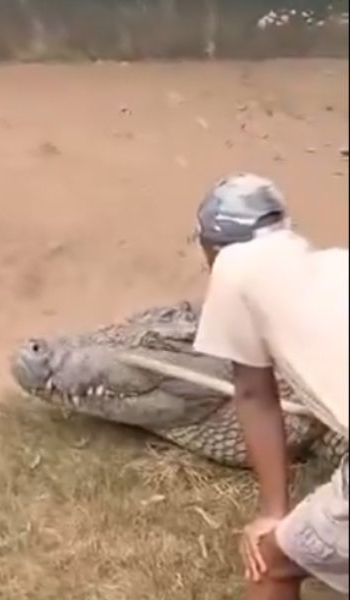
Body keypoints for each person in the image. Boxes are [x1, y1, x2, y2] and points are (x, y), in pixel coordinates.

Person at [192, 172, 349, 599]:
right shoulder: (337, 263)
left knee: (270, 563)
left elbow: (253, 393)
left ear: (213, 245)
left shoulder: (232, 266)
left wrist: (272, 515)